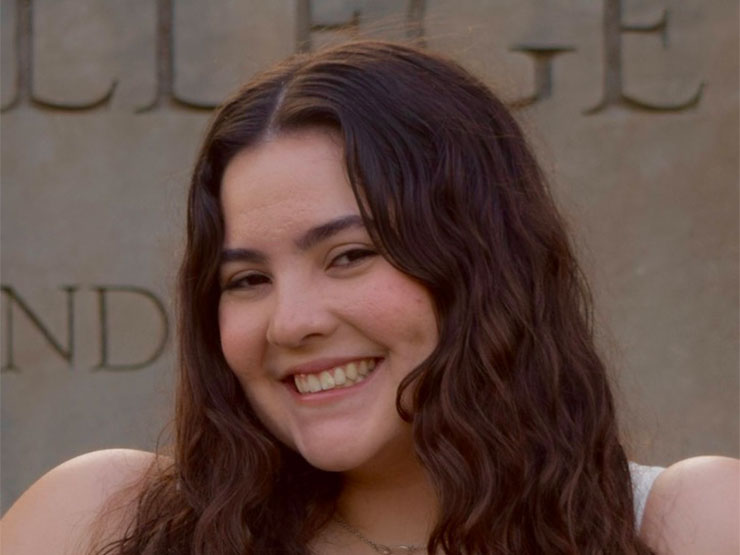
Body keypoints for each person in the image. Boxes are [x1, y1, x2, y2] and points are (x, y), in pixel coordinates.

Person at [2, 40, 737, 555]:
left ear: (482, 262)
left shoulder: (687, 525)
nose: (292, 321)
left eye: (349, 256)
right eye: (247, 279)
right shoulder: (101, 522)